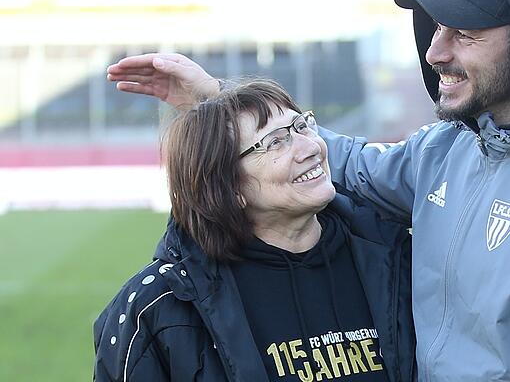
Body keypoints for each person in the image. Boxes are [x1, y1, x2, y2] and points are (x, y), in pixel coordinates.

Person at [107, 0, 510, 380]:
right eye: (437, 31)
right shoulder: (446, 150)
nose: (436, 53)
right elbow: (341, 163)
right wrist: (219, 103)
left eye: (465, 34)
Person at [93, 80, 416, 381]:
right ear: (228, 187)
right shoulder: (158, 307)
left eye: (301, 125)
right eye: (275, 142)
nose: (310, 147)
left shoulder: (398, 261)